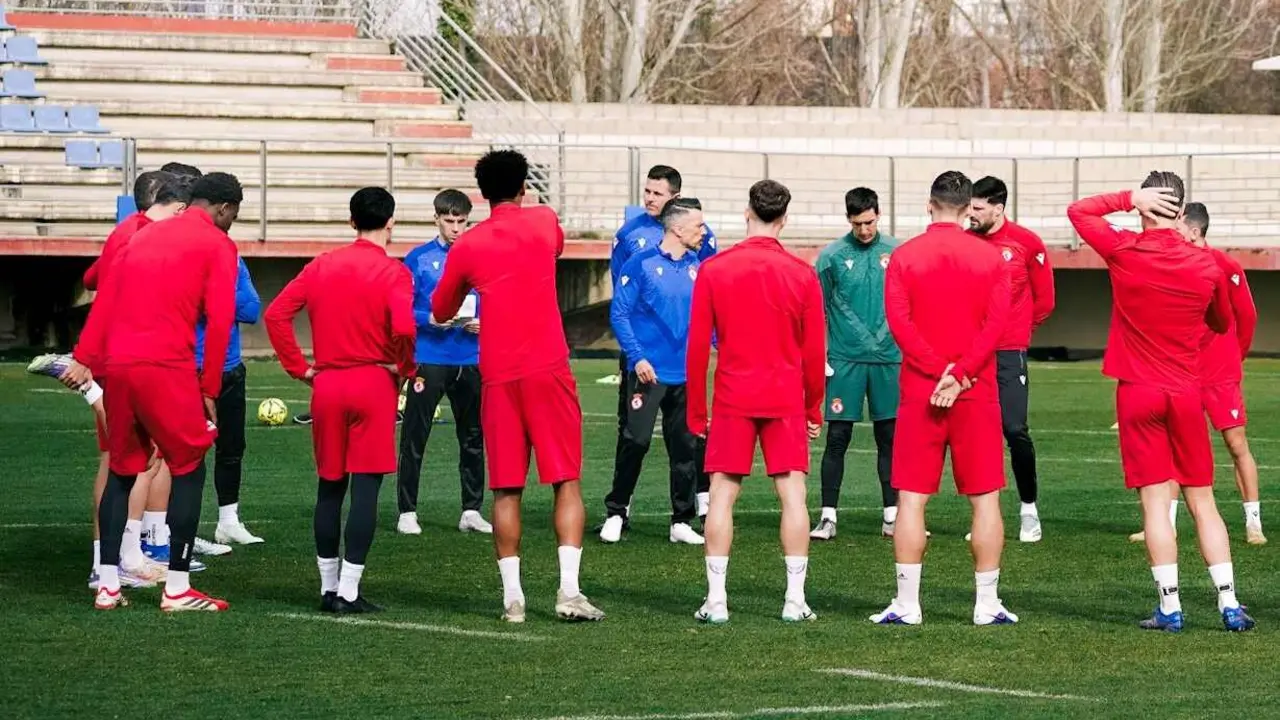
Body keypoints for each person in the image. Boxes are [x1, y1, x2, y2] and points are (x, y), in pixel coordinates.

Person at [1067, 172, 1254, 632]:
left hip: (1137, 391)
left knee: (1155, 504)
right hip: (1186, 390)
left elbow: (1079, 212)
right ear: (1181, 209)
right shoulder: (1206, 263)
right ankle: (1229, 604)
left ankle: (1170, 608)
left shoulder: (1124, 249)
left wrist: (1126, 198)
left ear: (1145, 205)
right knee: (1202, 500)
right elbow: (1221, 321)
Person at [432, 149, 604, 624]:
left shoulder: (468, 244)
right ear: (524, 187)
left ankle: (513, 599)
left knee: (506, 488)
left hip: (499, 374)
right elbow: (555, 246)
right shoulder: (544, 221)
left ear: (481, 194)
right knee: (565, 479)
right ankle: (568, 591)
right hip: (548, 367)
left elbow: (442, 309)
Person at [62, 172, 243, 612]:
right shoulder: (218, 244)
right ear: (224, 208)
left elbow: (104, 300)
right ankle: (177, 587)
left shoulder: (141, 236)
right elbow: (221, 318)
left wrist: (84, 356)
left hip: (119, 367)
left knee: (122, 470)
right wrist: (210, 386)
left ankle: (108, 584)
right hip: (166, 367)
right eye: (234, 214)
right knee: (190, 465)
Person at [30, 171, 193, 589]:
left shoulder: (133, 233)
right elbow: (108, 291)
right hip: (124, 356)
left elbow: (93, 279)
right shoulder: (137, 235)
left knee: (140, 457)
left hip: (123, 354)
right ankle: (110, 561)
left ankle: (126, 555)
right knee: (126, 459)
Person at [871, 170, 1015, 627]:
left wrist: (941, 372)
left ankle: (907, 603)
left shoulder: (905, 256)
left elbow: (899, 323)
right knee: (985, 499)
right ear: (969, 208)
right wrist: (962, 373)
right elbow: (997, 324)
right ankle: (986, 604)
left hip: (922, 389)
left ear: (929, 205)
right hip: (975, 390)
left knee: (911, 499)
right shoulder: (991, 257)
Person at [265, 187, 415, 614]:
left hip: (328, 384)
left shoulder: (321, 265)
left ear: (351, 221)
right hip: (373, 383)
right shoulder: (394, 272)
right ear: (391, 222)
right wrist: (404, 368)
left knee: (330, 486)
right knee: (366, 489)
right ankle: (349, 590)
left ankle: (327, 587)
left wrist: (300, 368)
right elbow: (405, 328)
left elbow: (276, 314)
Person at [686, 179, 826, 624]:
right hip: (784, 395)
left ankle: (717, 600)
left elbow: (696, 348)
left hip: (733, 395)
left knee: (721, 496)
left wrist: (696, 411)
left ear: (747, 212)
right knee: (793, 496)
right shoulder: (801, 273)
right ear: (784, 219)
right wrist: (814, 406)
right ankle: (794, 600)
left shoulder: (714, 269)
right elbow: (815, 351)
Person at [609, 165, 718, 525]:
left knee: (689, 436)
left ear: (674, 198)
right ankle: (620, 508)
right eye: (647, 191)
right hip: (642, 354)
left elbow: (708, 292)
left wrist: (717, 343)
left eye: (657, 193)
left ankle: (695, 503)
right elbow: (622, 297)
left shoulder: (700, 240)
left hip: (685, 360)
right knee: (632, 434)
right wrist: (635, 351)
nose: (649, 198)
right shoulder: (630, 236)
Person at [396, 189, 492, 537]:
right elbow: (401, 309)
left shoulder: (482, 258)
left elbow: (498, 301)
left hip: (471, 357)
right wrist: (429, 319)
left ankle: (471, 509)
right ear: (436, 218)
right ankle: (407, 511)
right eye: (449, 221)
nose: (455, 228)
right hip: (430, 358)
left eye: (461, 222)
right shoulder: (418, 259)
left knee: (473, 435)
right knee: (415, 435)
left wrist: (486, 321)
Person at [810, 187, 901, 541]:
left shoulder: (898, 253)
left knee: (889, 437)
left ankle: (892, 516)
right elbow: (814, 311)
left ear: (878, 215)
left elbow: (909, 303)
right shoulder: (831, 257)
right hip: (844, 361)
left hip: (889, 360)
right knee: (837, 437)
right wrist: (820, 356)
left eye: (869, 222)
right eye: (857, 223)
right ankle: (828, 517)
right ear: (848, 219)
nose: (864, 230)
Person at [968, 176, 1055, 543]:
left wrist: (1018, 332)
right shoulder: (967, 243)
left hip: (1008, 351)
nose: (970, 214)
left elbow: (1045, 300)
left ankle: (1028, 508)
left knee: (1014, 428)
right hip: (974, 353)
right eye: (969, 207)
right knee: (979, 432)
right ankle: (986, 517)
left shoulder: (1026, 243)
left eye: (978, 208)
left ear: (998, 208)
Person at [196, 253, 263, 546]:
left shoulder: (233, 258)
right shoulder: (187, 256)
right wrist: (221, 298)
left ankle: (228, 522)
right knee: (187, 453)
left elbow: (251, 309)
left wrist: (214, 299)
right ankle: (176, 529)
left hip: (230, 368)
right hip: (189, 368)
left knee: (232, 447)